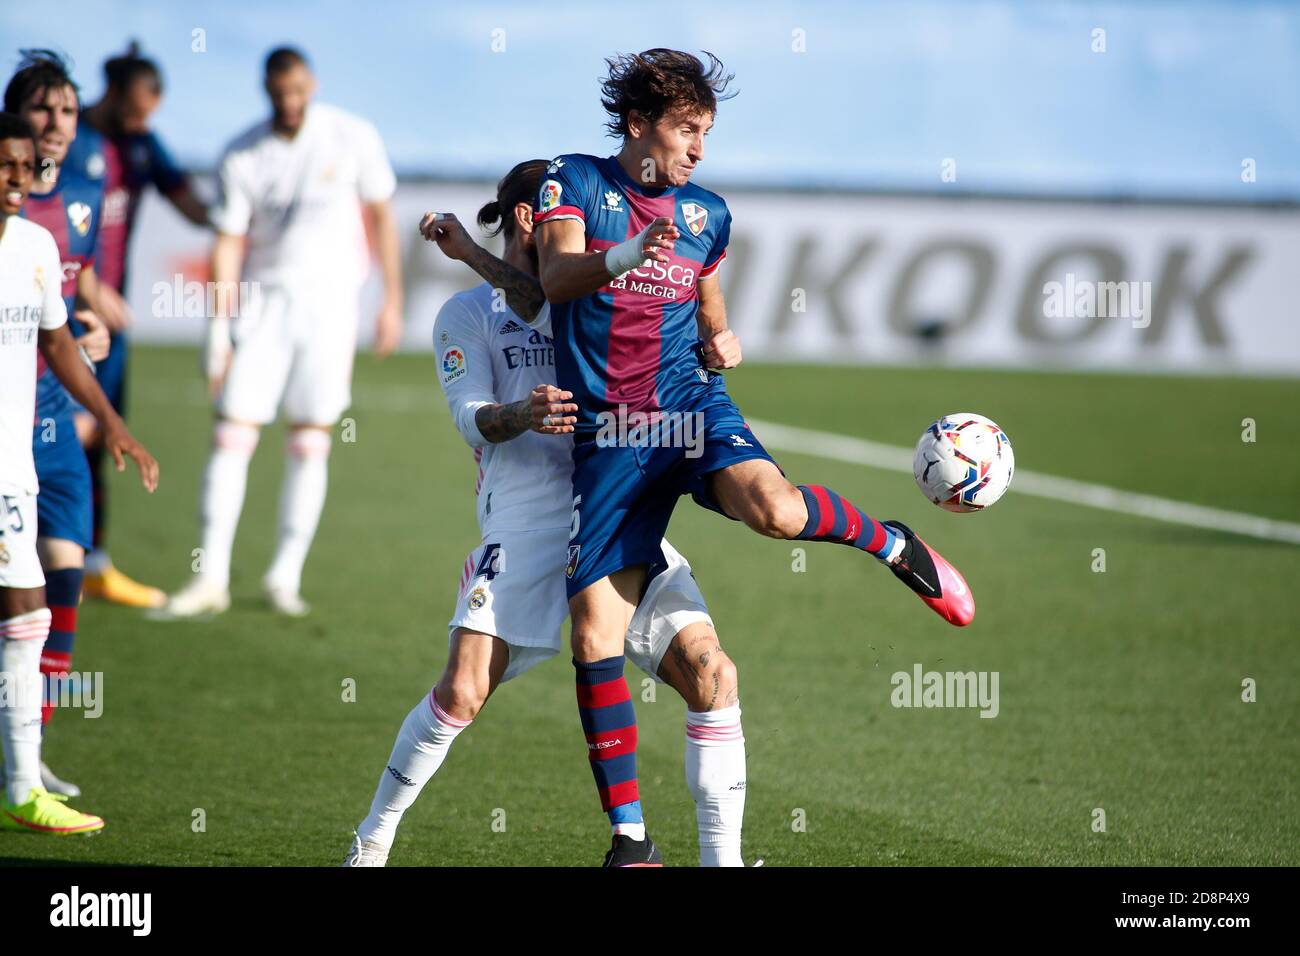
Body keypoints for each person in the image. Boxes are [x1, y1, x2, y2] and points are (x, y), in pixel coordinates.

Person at [533, 49, 975, 859]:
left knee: (773, 509)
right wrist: (629, 255)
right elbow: (558, 276)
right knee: (595, 633)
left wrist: (721, 336)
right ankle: (630, 843)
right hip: (612, 433)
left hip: (687, 404)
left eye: (707, 131)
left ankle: (891, 541)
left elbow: (708, 304)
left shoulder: (706, 213)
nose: (699, 147)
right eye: (686, 129)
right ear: (639, 126)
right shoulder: (576, 181)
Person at [345, 162, 748, 867]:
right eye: (571, 223)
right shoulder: (465, 315)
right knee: (463, 692)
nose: (590, 234)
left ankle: (720, 861)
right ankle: (372, 842)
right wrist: (518, 412)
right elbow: (472, 420)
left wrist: (716, 341)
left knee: (711, 673)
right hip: (527, 521)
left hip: (615, 506)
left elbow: (552, 300)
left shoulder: (592, 295)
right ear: (533, 221)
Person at [160, 46, 402, 618]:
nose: (289, 103)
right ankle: (210, 577)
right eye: (278, 95)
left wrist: (391, 300)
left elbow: (383, 217)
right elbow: (226, 242)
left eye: (297, 92)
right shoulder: (242, 154)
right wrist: (217, 328)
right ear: (266, 91)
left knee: (312, 435)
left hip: (330, 307)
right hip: (263, 303)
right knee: (232, 431)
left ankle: (283, 576)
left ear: (310, 85)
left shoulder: (352, 135)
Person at [0, 111, 157, 834]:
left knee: (28, 611)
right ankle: (23, 786)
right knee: (25, 609)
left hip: (16, 463)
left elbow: (58, 344)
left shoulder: (36, 244)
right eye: (4, 166)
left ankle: (25, 788)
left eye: (23, 169)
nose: (15, 181)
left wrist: (116, 424)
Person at [65, 41, 210, 609]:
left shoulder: (143, 145)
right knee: (61, 434)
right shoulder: (73, 143)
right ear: (114, 93)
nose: (143, 122)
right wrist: (90, 284)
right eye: (136, 109)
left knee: (101, 433)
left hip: (112, 319)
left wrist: (242, 213)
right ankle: (42, 550)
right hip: (68, 308)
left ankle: (91, 561)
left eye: (151, 113)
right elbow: (50, 223)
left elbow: (192, 204)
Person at [4, 50, 112, 798]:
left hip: (54, 415)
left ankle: (29, 751)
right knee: (21, 588)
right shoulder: (10, 199)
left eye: (68, 111)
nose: (56, 125)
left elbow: (81, 286)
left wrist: (94, 324)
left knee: (63, 578)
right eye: (43, 109)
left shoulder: (81, 194)